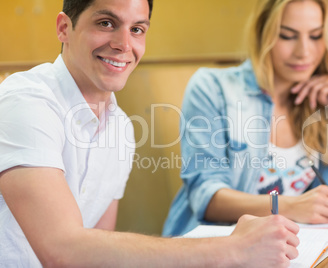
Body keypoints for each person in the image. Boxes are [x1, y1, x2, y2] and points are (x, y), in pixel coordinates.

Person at [0, 0, 300, 267]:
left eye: (137, 29)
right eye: (106, 23)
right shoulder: (25, 101)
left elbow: (98, 251)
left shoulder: (121, 127)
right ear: (64, 28)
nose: (124, 44)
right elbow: (63, 250)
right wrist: (232, 249)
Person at [163, 0, 328, 237]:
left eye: (316, 36)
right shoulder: (213, 88)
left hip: (287, 252)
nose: (304, 51)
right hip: (212, 250)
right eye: (287, 36)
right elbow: (207, 197)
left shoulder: (321, 103)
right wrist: (290, 207)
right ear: (262, 34)